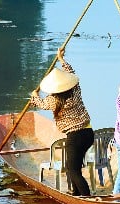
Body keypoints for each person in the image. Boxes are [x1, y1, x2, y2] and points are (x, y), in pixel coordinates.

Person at [31, 47, 94, 196]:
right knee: (74, 167)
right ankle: (76, 194)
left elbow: (39, 103)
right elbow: (72, 73)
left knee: (72, 169)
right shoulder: (76, 91)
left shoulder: (54, 100)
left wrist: (34, 95)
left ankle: (86, 197)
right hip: (88, 133)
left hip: (75, 136)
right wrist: (61, 59)